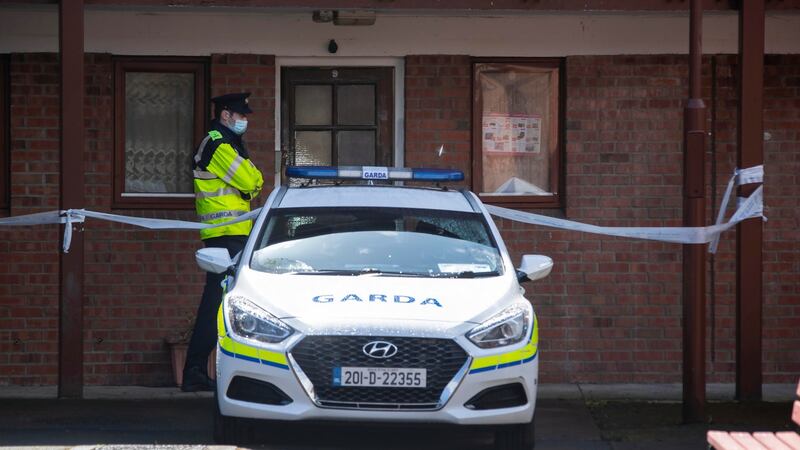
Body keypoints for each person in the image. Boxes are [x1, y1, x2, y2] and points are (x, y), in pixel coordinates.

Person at [182, 92, 264, 392]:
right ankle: (194, 371)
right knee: (216, 303)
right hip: (223, 235)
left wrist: (253, 177)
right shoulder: (217, 143)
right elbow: (250, 181)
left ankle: (197, 371)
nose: (245, 120)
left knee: (223, 302)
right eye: (241, 115)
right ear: (226, 114)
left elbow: (256, 179)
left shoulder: (228, 143)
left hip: (233, 234)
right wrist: (252, 178)